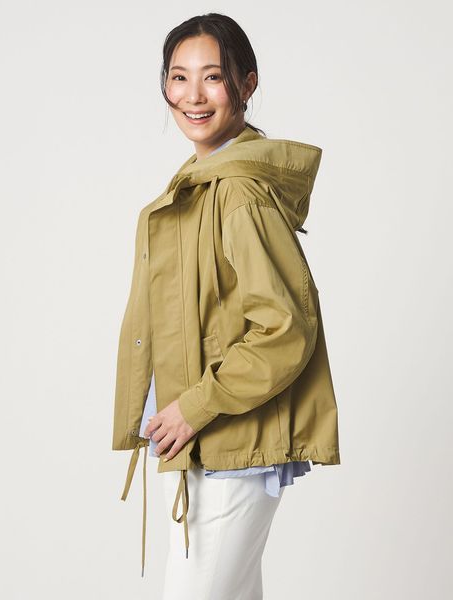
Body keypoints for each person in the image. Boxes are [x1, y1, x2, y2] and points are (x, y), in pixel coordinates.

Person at [112, 12, 341, 600]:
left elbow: (286, 328)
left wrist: (194, 406)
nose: (193, 95)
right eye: (179, 77)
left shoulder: (237, 192)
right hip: (204, 442)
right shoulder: (200, 182)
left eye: (212, 77)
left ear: (246, 83)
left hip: (229, 442)